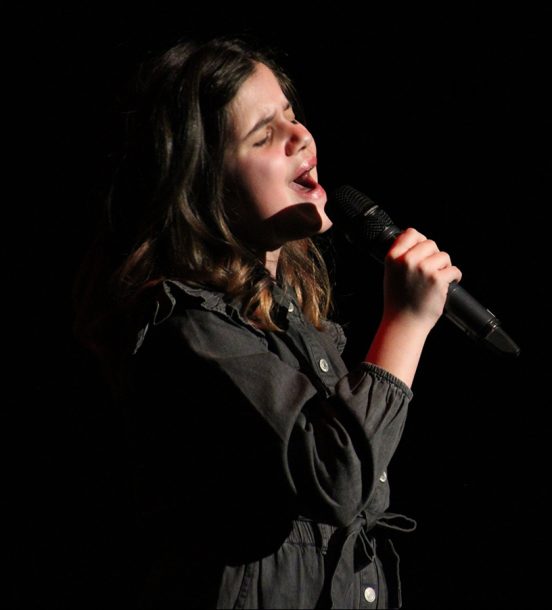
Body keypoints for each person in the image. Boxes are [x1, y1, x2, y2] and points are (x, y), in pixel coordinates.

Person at [73, 36, 462, 609]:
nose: (300, 136)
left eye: (291, 115)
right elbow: (338, 477)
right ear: (204, 186)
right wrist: (405, 324)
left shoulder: (302, 327)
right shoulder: (188, 328)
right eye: (264, 134)